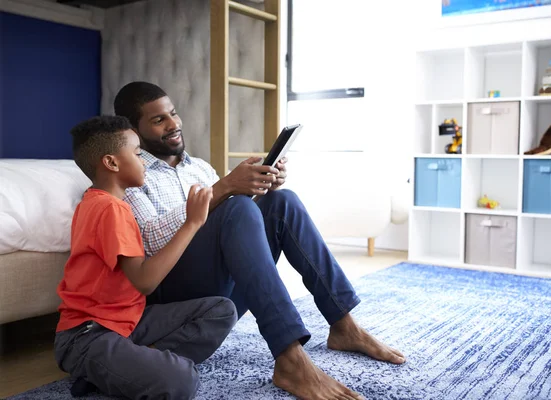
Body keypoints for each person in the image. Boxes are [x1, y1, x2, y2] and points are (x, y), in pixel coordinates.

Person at [115, 81, 406, 400]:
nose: (174, 124)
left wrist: (262, 182)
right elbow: (151, 240)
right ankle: (290, 358)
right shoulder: (131, 175)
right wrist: (225, 187)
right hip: (178, 298)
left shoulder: (198, 167)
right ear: (134, 129)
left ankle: (343, 324)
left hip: (224, 290)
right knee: (236, 204)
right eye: (159, 120)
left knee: (282, 202)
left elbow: (234, 225)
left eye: (173, 114)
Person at [54, 115, 237, 400]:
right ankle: (109, 368)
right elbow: (145, 281)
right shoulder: (109, 209)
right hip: (87, 336)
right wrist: (192, 223)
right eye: (138, 154)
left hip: (129, 321)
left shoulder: (102, 202)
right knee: (182, 381)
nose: (144, 161)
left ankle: (119, 371)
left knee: (221, 310)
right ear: (112, 163)